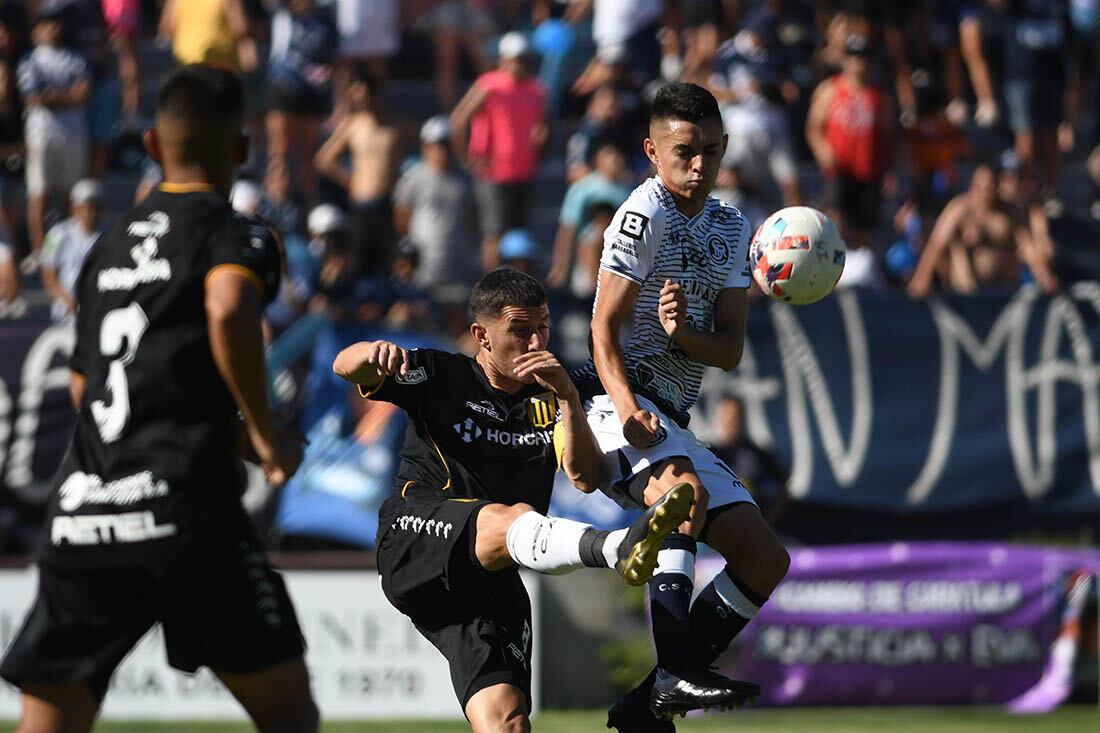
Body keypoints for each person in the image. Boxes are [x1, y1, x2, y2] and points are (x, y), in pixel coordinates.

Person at [0, 64, 319, 733]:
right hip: (184, 510)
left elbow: (86, 382)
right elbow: (229, 306)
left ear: (151, 145)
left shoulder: (105, 248)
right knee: (288, 712)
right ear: (241, 148)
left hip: (84, 514)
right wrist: (259, 433)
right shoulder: (240, 233)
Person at [332, 267, 695, 732]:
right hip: (417, 541)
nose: (535, 341)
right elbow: (344, 363)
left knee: (508, 722)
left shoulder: (552, 395)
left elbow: (584, 477)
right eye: (520, 331)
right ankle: (617, 549)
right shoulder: (441, 374)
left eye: (541, 326)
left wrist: (566, 396)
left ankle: (614, 549)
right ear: (481, 335)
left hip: (488, 578)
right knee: (511, 516)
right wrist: (370, 353)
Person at [569, 82, 790, 729]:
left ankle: (644, 706)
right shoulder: (643, 214)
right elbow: (601, 331)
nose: (700, 166)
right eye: (685, 151)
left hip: (671, 412)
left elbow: (727, 350)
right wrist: (624, 405)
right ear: (652, 151)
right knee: (684, 494)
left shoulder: (730, 225)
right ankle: (674, 671)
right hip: (614, 397)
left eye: (712, 152)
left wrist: (680, 334)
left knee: (764, 558)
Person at [450, 32, 548, 273]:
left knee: (521, 233)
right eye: (513, 59)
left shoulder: (535, 89)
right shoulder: (489, 85)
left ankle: (519, 287)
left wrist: (540, 146)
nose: (517, 65)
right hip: (494, 174)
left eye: (522, 59)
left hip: (524, 171)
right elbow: (459, 119)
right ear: (502, 60)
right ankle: (491, 284)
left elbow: (542, 124)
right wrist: (468, 159)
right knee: (493, 233)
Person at [907, 163, 1058, 297]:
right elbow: (936, 245)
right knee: (955, 245)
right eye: (983, 188)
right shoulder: (960, 209)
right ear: (974, 187)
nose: (987, 193)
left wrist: (1044, 276)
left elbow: (1027, 247)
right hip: (966, 289)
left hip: (1003, 289)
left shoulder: (1009, 213)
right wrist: (922, 279)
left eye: (991, 188)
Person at [17, 2, 92, 268]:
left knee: (72, 194)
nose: (53, 28)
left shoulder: (76, 57)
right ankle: (40, 252)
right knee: (39, 193)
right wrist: (66, 97)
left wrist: (56, 97)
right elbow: (34, 98)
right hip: (41, 134)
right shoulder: (29, 60)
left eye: (57, 22)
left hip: (73, 133)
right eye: (47, 23)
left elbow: (83, 94)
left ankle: (74, 250)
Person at [806, 33, 893, 254]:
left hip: (869, 173)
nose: (858, 62)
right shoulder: (831, 90)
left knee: (866, 228)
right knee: (836, 221)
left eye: (863, 57)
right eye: (854, 56)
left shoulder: (879, 96)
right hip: (839, 172)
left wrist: (889, 170)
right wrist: (824, 152)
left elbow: (889, 135)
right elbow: (814, 128)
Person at [314, 65, 398, 276]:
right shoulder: (353, 125)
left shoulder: (392, 127)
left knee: (389, 266)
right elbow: (324, 159)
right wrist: (350, 181)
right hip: (361, 204)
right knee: (360, 265)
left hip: (387, 205)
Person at [392, 115, 479, 304]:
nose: (441, 150)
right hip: (425, 266)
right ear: (425, 147)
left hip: (458, 263)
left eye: (445, 144)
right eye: (436, 144)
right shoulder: (413, 178)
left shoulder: (465, 179)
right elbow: (401, 217)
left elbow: (472, 218)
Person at [265, 0, 338, 205]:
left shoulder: (324, 20)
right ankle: (275, 203)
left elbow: (332, 58)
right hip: (281, 86)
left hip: (311, 90)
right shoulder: (281, 14)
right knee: (280, 150)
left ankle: (308, 207)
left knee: (308, 154)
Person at [548, 141, 633, 289]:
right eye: (610, 154)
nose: (616, 159)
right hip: (587, 257)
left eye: (618, 155)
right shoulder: (583, 188)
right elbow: (568, 228)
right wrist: (560, 267)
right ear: (597, 158)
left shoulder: (628, 189)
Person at [40, 179, 105, 323]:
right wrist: (67, 300)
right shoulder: (57, 233)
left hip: (94, 314)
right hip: (65, 315)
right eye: (86, 207)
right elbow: (48, 275)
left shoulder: (106, 237)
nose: (91, 213)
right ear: (74, 207)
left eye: (96, 208)